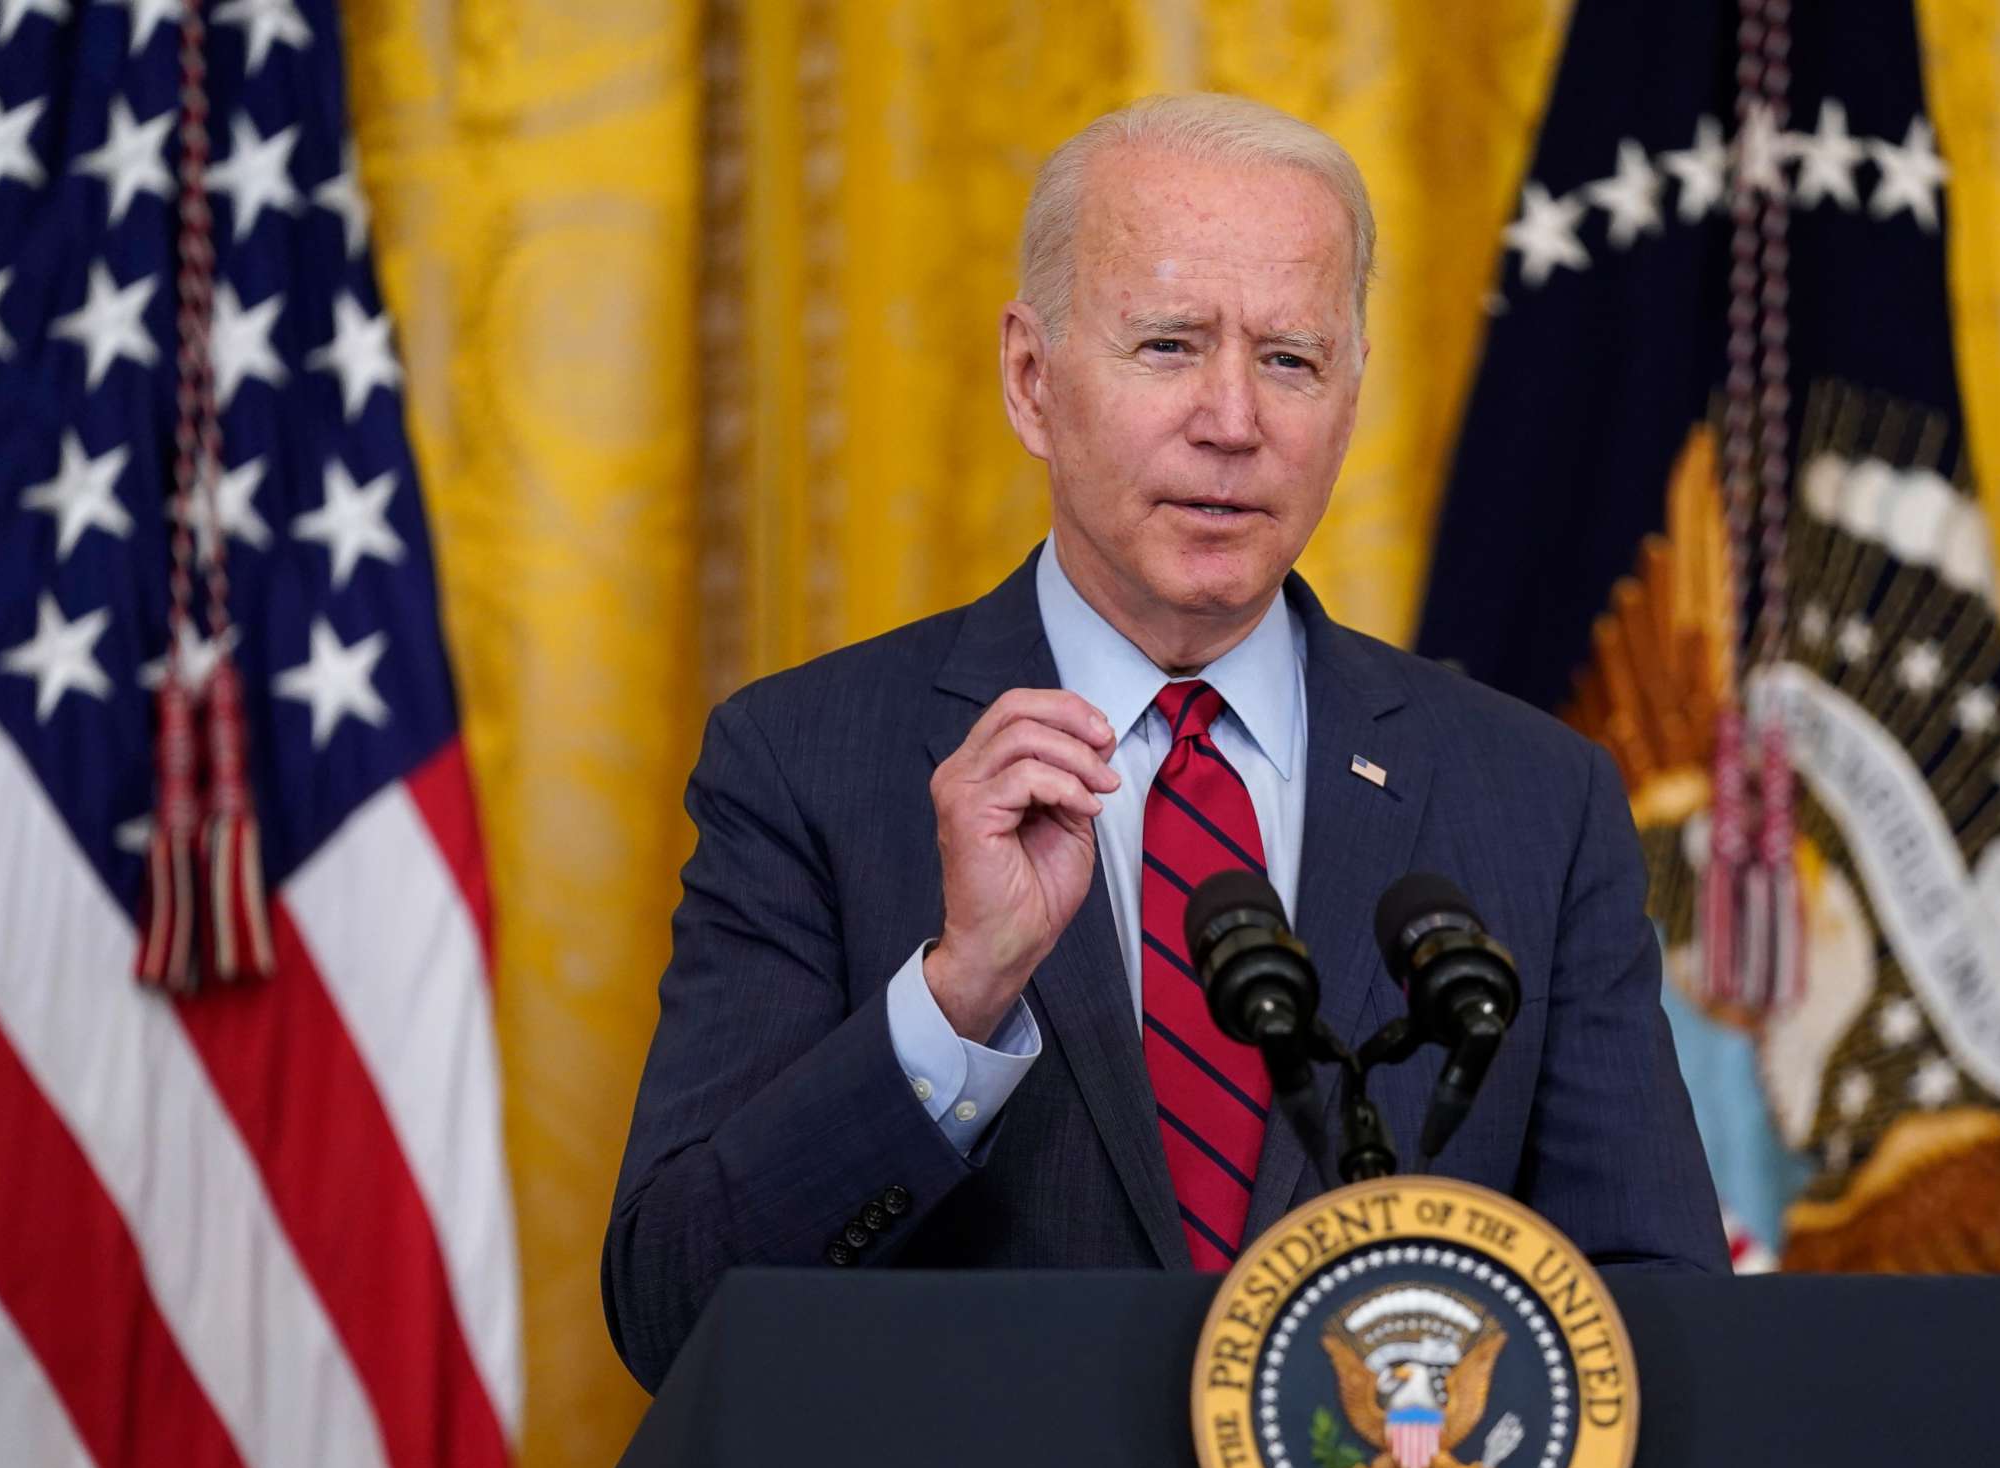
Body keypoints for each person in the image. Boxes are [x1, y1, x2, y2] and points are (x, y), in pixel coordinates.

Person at [604, 92, 1727, 1398]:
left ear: (1351, 400)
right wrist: (959, 995)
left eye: (1292, 361)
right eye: (1171, 345)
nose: (1234, 420)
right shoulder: (806, 763)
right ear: (1032, 380)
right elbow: (674, 1309)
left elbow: (1658, 1321)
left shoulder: (1537, 797)